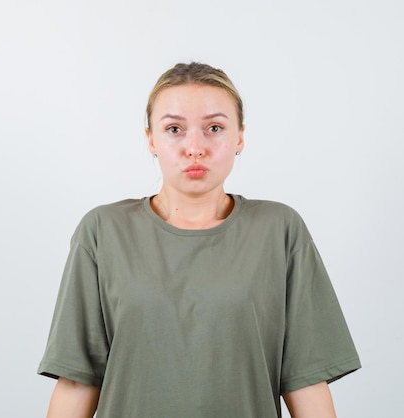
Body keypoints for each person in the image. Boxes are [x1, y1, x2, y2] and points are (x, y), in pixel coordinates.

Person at [37, 62, 360, 417]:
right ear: (151, 140)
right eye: (174, 128)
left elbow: (306, 382)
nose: (195, 147)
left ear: (239, 137)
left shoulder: (279, 229)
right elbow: (77, 382)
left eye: (214, 128)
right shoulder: (102, 231)